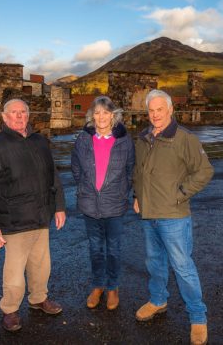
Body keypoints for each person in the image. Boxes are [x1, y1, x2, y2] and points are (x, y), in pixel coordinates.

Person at [0, 98, 66, 332]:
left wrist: (59, 207)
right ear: (4, 118)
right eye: (13, 113)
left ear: (28, 115)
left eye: (23, 112)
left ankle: (38, 299)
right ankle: (10, 310)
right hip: (13, 221)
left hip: (41, 217)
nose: (19, 116)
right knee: (14, 273)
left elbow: (53, 176)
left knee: (41, 265)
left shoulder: (40, 142)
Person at [132, 89, 214, 345]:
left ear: (170, 110)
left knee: (182, 267)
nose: (155, 114)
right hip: (148, 214)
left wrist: (180, 194)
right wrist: (138, 196)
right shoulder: (144, 137)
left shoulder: (184, 138)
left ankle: (198, 317)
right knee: (154, 262)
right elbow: (139, 171)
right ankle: (158, 300)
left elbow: (204, 171)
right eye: (151, 110)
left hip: (174, 216)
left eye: (160, 110)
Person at [71, 96, 135, 310]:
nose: (101, 117)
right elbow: (76, 167)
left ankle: (113, 288)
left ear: (113, 115)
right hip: (90, 204)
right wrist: (84, 188)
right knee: (95, 248)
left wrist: (122, 193)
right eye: (97, 112)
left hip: (114, 205)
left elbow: (130, 170)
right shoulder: (83, 139)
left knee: (114, 249)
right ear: (92, 116)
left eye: (105, 112)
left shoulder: (124, 141)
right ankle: (98, 285)